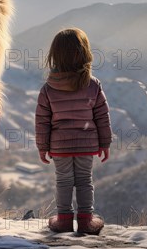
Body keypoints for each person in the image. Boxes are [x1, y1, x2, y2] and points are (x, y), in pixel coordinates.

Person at [35, 28, 112, 234]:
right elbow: (102, 117)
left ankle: (64, 220)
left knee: (64, 181)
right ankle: (86, 221)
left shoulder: (48, 89)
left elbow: (42, 121)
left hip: (59, 146)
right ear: (85, 53)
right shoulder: (93, 85)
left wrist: (42, 147)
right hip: (87, 144)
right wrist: (105, 143)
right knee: (85, 181)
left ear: (55, 55)